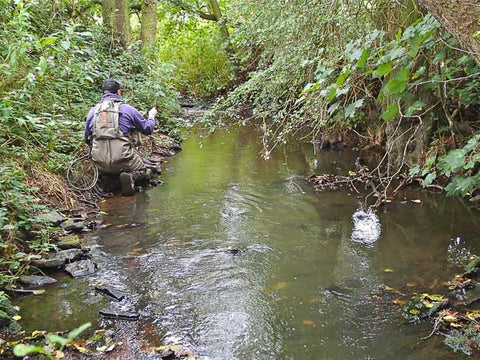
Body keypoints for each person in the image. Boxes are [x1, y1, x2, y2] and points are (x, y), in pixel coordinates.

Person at [85, 79, 158, 195]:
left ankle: (110, 181)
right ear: (118, 92)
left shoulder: (93, 111)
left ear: (103, 93)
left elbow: (87, 139)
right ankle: (132, 177)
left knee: (108, 172)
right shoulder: (128, 110)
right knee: (147, 171)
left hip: (100, 162)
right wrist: (151, 116)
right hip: (124, 159)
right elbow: (148, 129)